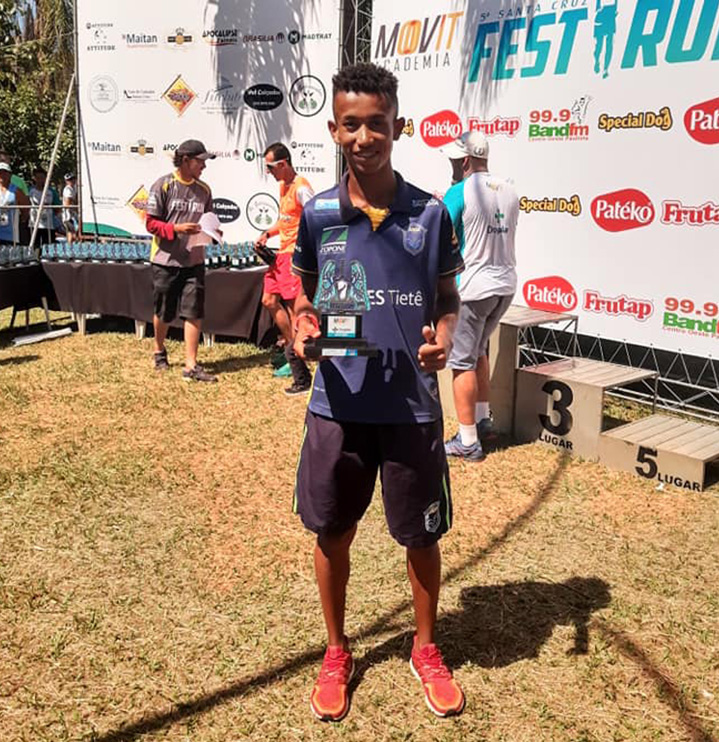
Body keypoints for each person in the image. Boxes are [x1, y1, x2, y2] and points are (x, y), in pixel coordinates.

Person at [291, 63, 466, 722]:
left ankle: (425, 649)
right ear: (334, 128)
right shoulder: (318, 215)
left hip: (411, 408)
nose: (364, 137)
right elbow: (305, 299)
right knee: (333, 532)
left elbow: (446, 297)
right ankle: (336, 651)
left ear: (399, 127)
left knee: (420, 536)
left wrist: (444, 337)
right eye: (351, 124)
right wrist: (305, 327)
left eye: (377, 124)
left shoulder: (429, 214)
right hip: (339, 402)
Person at [440, 131, 519, 462]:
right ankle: (483, 422)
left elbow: (441, 235)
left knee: (461, 363)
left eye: (455, 161)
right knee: (478, 353)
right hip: (505, 285)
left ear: (466, 160)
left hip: (473, 287)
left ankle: (468, 440)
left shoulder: (459, 191)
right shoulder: (510, 189)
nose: (453, 166)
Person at [145, 139, 218, 382]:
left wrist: (213, 233)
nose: (204, 167)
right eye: (201, 161)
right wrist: (176, 228)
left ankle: (191, 365)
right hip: (165, 260)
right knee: (164, 312)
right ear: (185, 160)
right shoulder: (163, 185)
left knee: (194, 311)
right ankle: (158, 350)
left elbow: (207, 221)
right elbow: (150, 223)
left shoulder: (205, 190)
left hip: (194, 260)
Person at [255, 142, 314, 395]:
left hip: (294, 258)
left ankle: (299, 371)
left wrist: (306, 254)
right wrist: (267, 233)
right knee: (269, 300)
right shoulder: (283, 186)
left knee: (293, 311)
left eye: (270, 167)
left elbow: (313, 219)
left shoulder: (302, 187)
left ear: (283, 163)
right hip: (281, 255)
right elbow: (287, 220)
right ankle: (293, 347)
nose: (268, 172)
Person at [0, 162, 29, 247]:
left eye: (5, 172)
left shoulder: (16, 191)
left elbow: (25, 208)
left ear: (10, 175)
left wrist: (21, 220)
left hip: (10, 234)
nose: (2, 175)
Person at [28, 167, 61, 246]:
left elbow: (57, 207)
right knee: (35, 245)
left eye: (42, 178)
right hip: (33, 223)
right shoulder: (30, 191)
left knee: (48, 246)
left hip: (49, 224)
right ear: (34, 178)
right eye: (38, 178)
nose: (40, 180)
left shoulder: (51, 191)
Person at [61, 173, 78, 244]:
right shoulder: (68, 189)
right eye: (69, 180)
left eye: (72, 179)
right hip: (68, 216)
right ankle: (70, 247)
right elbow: (68, 203)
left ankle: (71, 246)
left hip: (72, 215)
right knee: (71, 233)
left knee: (72, 232)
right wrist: (76, 209)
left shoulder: (74, 188)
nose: (71, 181)